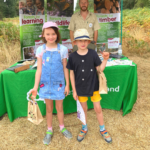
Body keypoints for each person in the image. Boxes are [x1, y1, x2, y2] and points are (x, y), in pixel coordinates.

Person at [30, 21, 72, 145]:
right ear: (43, 35)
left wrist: (67, 84)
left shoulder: (63, 49)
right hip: (45, 85)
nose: (51, 36)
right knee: (49, 109)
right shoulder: (40, 50)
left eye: (53, 34)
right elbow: (39, 70)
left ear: (57, 34)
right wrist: (35, 87)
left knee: (59, 108)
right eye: (47, 34)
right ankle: (49, 130)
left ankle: (62, 127)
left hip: (59, 85)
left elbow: (65, 68)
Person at [67, 29, 112, 143]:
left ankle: (102, 129)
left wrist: (105, 60)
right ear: (75, 42)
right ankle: (84, 127)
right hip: (80, 87)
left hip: (94, 86)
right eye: (80, 40)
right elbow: (71, 74)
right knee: (83, 109)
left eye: (85, 40)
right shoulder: (72, 57)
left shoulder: (93, 54)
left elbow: (99, 70)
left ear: (88, 42)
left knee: (97, 108)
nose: (83, 43)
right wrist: (74, 90)